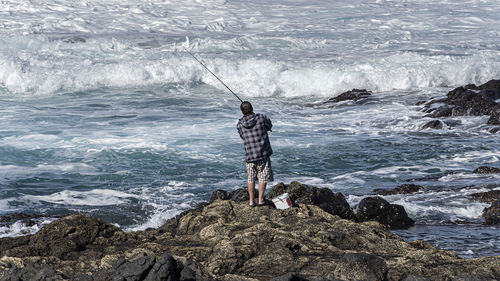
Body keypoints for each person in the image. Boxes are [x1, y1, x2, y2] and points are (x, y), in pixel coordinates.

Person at [237, 101, 274, 207]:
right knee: (263, 177)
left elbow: (242, 136)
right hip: (263, 153)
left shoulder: (240, 124)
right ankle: (261, 200)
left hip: (250, 155)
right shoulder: (261, 117)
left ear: (242, 112)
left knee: (251, 178)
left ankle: (251, 201)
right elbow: (269, 125)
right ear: (252, 108)